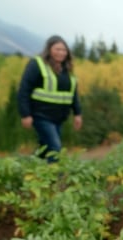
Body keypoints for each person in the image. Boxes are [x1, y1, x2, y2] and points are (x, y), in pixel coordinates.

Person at [17, 35, 82, 163]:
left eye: (64, 50)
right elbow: (24, 90)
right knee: (55, 148)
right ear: (49, 50)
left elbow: (73, 94)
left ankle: (30, 169)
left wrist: (77, 113)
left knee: (45, 149)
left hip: (58, 118)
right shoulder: (37, 64)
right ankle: (56, 180)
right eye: (57, 49)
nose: (61, 53)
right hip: (41, 116)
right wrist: (25, 114)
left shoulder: (67, 69)